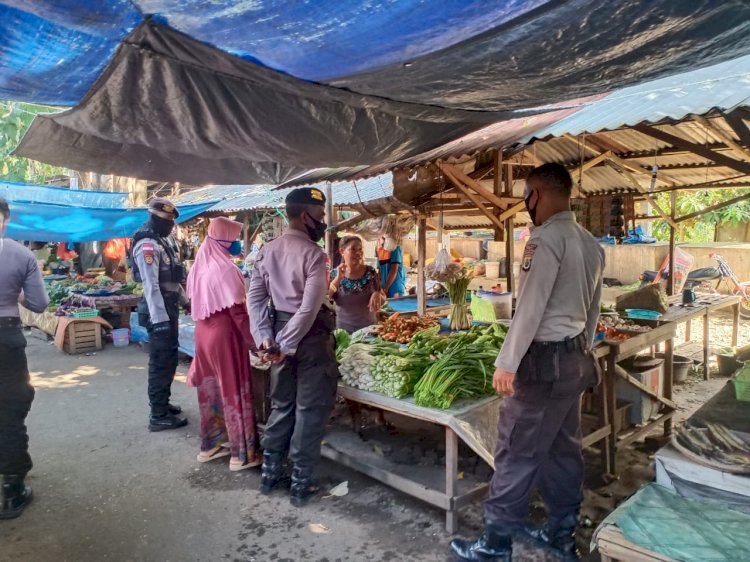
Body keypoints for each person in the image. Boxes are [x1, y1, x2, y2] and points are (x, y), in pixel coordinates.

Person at [450, 164, 605, 562]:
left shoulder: (545, 240)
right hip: (573, 362)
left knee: (515, 451)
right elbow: (593, 309)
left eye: (526, 196)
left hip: (543, 368)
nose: (526, 204)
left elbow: (529, 309)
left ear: (536, 194)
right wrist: (581, 349)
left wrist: (507, 362)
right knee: (562, 450)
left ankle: (495, 544)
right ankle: (561, 534)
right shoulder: (590, 243)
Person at [248, 187, 338, 507]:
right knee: (308, 409)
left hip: (277, 335)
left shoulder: (267, 250)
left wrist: (266, 338)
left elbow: (256, 298)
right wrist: (284, 344)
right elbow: (310, 308)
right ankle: (301, 482)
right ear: (305, 216)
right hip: (310, 340)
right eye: (321, 216)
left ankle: (271, 474)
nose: (323, 222)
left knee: (282, 405)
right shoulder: (315, 255)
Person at [186, 217, 261, 471]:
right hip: (224, 337)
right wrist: (255, 344)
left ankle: (211, 445)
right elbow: (239, 315)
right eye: (234, 239)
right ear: (225, 241)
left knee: (210, 389)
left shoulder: (200, 265)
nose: (237, 244)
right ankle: (241, 454)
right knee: (233, 388)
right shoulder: (227, 269)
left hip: (203, 335)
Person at [0, 197, 49, 519]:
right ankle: (12, 490)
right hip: (6, 338)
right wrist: (14, 291)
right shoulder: (20, 253)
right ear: (4, 218)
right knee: (9, 409)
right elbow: (39, 304)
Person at [130, 198, 190, 432]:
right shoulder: (147, 244)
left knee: (169, 359)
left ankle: (163, 403)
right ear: (154, 218)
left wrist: (187, 302)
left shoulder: (164, 241)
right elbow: (151, 285)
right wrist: (160, 320)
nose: (170, 225)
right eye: (166, 221)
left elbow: (173, 280)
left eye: (171, 221)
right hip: (159, 310)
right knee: (160, 362)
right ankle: (158, 414)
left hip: (169, 306)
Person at [329, 235, 386, 333]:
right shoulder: (334, 274)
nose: (358, 253)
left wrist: (378, 295)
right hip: (344, 333)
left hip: (369, 331)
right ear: (342, 251)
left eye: (360, 249)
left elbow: (383, 299)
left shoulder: (371, 272)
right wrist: (338, 279)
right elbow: (326, 298)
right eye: (353, 249)